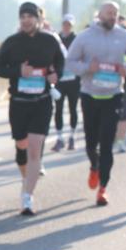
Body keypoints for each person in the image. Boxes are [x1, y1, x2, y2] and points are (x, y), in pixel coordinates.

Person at [0, 2, 65, 215]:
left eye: (30, 16)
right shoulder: (12, 43)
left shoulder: (50, 40)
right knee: (22, 146)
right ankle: (26, 179)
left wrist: (55, 75)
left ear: (38, 19)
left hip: (42, 101)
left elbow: (60, 62)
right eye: (22, 16)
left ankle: (27, 197)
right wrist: (18, 70)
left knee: (35, 148)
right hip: (19, 102)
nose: (26, 20)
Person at [65, 1, 126, 206]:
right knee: (91, 143)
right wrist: (89, 67)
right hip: (90, 95)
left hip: (114, 94)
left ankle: (103, 188)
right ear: (99, 15)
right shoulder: (85, 37)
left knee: (107, 144)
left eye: (115, 14)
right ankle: (94, 167)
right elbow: (70, 62)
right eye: (109, 13)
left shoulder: (124, 36)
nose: (112, 17)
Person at [52, 14, 80, 151]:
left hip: (74, 80)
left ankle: (72, 137)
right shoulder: (56, 39)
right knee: (58, 109)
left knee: (73, 109)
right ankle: (59, 138)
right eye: (64, 24)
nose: (66, 26)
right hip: (60, 80)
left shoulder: (77, 39)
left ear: (72, 25)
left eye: (69, 24)